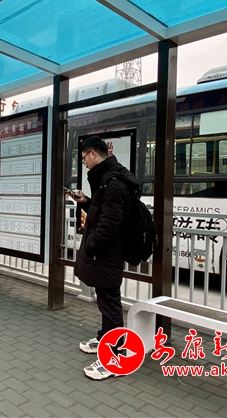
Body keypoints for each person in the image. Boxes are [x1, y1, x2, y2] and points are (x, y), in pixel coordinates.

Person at [66, 135, 140, 380]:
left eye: (84, 158)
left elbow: (109, 225)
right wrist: (85, 202)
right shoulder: (106, 180)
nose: (84, 163)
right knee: (105, 301)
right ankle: (105, 340)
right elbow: (102, 213)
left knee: (110, 304)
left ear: (93, 154)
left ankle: (114, 358)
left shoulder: (113, 184)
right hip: (105, 253)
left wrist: (91, 246)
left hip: (107, 253)